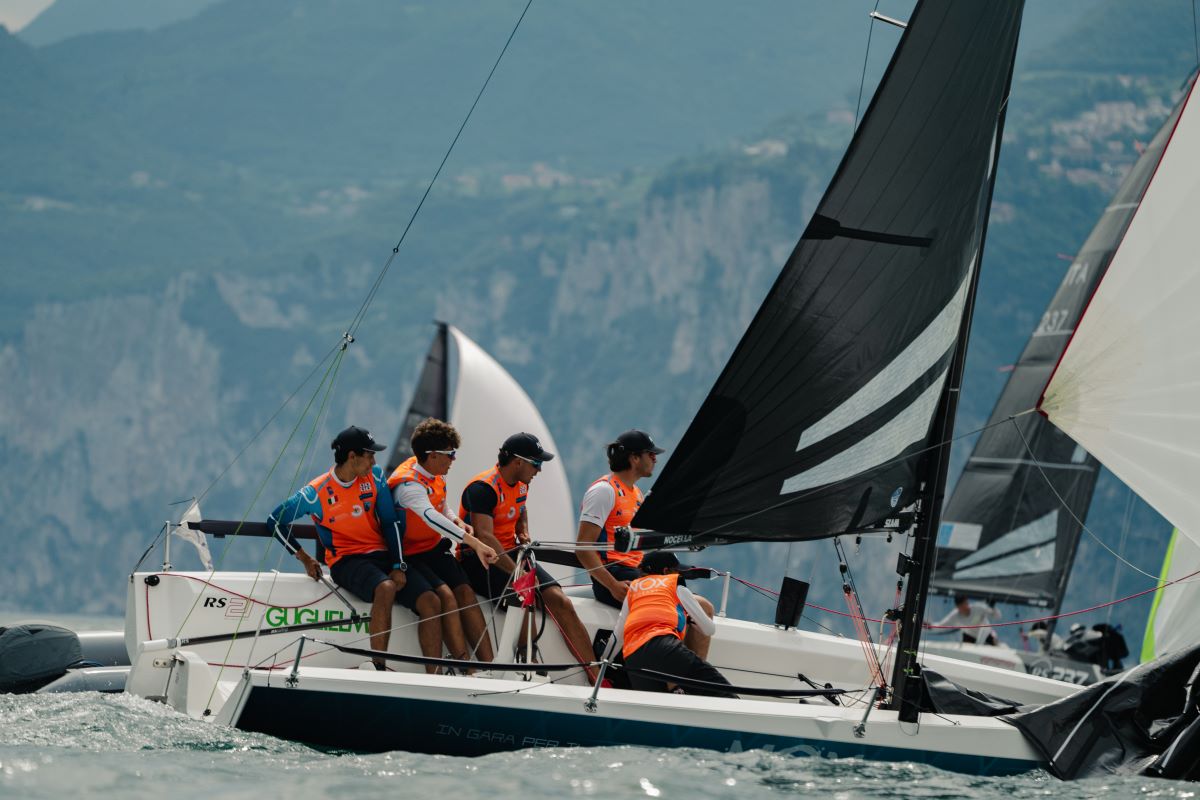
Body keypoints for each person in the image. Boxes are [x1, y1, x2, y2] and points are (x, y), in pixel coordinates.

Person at [458, 432, 598, 678]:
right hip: (479, 558)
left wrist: (523, 530)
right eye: (536, 463)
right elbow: (484, 536)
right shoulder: (482, 488)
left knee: (560, 601)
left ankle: (595, 672)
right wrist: (517, 573)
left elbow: (520, 508)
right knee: (525, 596)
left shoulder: (522, 483)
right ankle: (527, 659)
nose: (539, 470)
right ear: (517, 462)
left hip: (512, 552)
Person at [267, 425, 404, 671]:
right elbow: (274, 521)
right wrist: (304, 558)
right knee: (385, 588)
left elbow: (389, 520)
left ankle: (448, 671)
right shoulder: (315, 493)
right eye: (370, 455)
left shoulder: (375, 476)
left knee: (431, 597)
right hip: (346, 561)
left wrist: (398, 564)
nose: (374, 461)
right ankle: (379, 667)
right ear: (352, 457)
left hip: (381, 556)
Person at [389, 417, 498, 671]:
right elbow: (430, 517)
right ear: (433, 455)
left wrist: (456, 520)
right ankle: (465, 668)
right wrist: (476, 543)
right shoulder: (408, 485)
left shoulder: (435, 471)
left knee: (465, 592)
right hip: (410, 555)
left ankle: (491, 667)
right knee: (446, 598)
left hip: (432, 549)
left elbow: (441, 506)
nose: (454, 459)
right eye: (451, 454)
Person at [611, 552, 736, 698]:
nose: (679, 574)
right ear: (666, 571)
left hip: (633, 659)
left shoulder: (633, 589)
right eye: (676, 570)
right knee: (726, 695)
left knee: (658, 707)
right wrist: (692, 621)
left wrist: (602, 662)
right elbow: (709, 630)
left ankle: (677, 689)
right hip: (664, 647)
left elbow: (617, 637)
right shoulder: (675, 585)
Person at [575, 429, 664, 609]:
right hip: (615, 575)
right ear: (635, 458)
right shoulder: (604, 491)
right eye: (651, 454)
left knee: (698, 603)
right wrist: (613, 586)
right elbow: (583, 548)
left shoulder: (637, 493)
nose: (655, 459)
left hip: (634, 571)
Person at [930, 595, 1001, 645]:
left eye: (964, 604)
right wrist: (930, 626)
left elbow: (997, 616)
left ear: (967, 603)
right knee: (965, 646)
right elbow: (941, 625)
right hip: (969, 636)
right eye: (960, 606)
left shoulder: (979, 608)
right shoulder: (955, 615)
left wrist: (992, 607)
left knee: (995, 643)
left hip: (985, 634)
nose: (963, 608)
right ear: (957, 607)